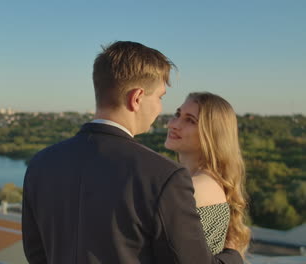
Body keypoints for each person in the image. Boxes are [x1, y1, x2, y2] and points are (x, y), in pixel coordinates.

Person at [22, 41, 243, 263]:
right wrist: (233, 255)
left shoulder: (41, 163)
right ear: (136, 98)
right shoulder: (164, 177)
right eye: (160, 97)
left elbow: (36, 254)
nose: (160, 109)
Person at [165, 92, 251, 257]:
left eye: (190, 120)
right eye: (177, 114)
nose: (173, 124)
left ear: (212, 133)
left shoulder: (196, 186)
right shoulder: (199, 180)